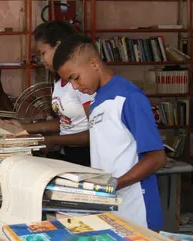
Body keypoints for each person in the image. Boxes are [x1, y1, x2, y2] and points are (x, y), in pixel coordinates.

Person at [53, 36, 167, 230]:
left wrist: (114, 184)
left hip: (137, 212)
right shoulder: (96, 102)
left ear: (93, 63)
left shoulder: (129, 97)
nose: (74, 86)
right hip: (110, 210)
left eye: (75, 77)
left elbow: (157, 158)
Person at [22, 22, 92, 166]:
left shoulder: (81, 82)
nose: (42, 60)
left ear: (59, 47)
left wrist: (53, 140)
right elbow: (65, 123)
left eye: (43, 53)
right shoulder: (59, 82)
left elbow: (96, 133)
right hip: (68, 153)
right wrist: (21, 129)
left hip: (87, 156)